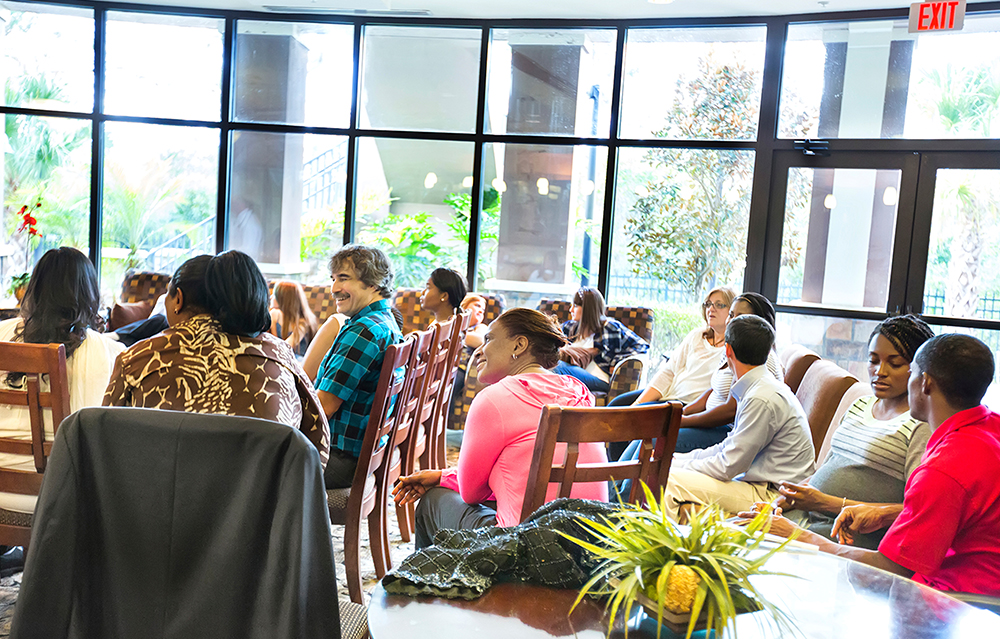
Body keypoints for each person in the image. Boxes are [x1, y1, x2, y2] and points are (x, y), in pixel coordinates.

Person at [744, 334, 1000, 596]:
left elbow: (889, 570)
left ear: (925, 383)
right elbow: (958, 511)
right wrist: (883, 513)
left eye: (909, 371)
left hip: (957, 604)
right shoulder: (990, 427)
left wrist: (799, 537)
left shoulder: (943, 469)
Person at [393, 308, 609, 549]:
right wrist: (443, 476)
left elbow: (471, 493)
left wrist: (445, 481)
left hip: (527, 549)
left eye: (489, 339)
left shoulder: (494, 399)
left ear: (519, 345)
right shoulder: (580, 392)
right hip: (592, 546)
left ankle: (429, 583)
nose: (480, 350)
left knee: (433, 501)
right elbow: (530, 474)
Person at [103, 252, 330, 467]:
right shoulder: (281, 357)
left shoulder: (136, 358)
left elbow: (106, 443)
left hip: (158, 503)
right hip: (263, 506)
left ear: (178, 299)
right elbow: (317, 448)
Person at [776, 315, 934, 549]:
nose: (879, 371)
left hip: (846, 535)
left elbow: (915, 509)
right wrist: (785, 500)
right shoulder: (860, 405)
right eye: (873, 360)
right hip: (808, 516)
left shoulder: (919, 425)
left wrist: (824, 503)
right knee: (730, 534)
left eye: (895, 363)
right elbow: (828, 468)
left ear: (919, 369)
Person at [0, 247, 125, 515]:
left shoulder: (2, 335)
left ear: (35, 288)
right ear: (89, 293)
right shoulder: (112, 354)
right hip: (60, 497)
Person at [662, 315, 814, 520]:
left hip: (772, 495)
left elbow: (728, 466)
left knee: (668, 480)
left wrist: (672, 466)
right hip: (758, 483)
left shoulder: (761, 397)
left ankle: (662, 550)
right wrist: (677, 460)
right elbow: (727, 448)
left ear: (728, 350)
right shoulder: (758, 386)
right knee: (666, 468)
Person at [313, 244, 403, 489]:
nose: (334, 289)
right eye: (333, 279)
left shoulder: (365, 331)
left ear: (373, 283)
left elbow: (324, 407)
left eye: (344, 279)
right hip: (361, 452)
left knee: (253, 469)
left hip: (339, 458)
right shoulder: (383, 321)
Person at [609, 286, 735, 407]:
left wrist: (637, 409)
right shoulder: (697, 335)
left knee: (631, 418)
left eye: (719, 305)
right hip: (668, 395)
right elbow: (668, 372)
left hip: (687, 405)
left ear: (732, 312)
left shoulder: (731, 349)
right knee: (617, 404)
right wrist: (637, 404)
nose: (711, 309)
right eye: (708, 304)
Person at [552, 287, 649, 393]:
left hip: (599, 379)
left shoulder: (609, 327)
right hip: (576, 373)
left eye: (575, 306)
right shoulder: (571, 327)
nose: (570, 310)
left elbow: (642, 346)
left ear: (587, 309)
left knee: (557, 367)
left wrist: (616, 362)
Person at [269, 280, 318, 357]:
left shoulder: (303, 324)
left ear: (284, 300)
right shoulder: (275, 314)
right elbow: (274, 342)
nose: (271, 297)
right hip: (280, 357)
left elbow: (286, 346)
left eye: (275, 295)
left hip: (297, 361)